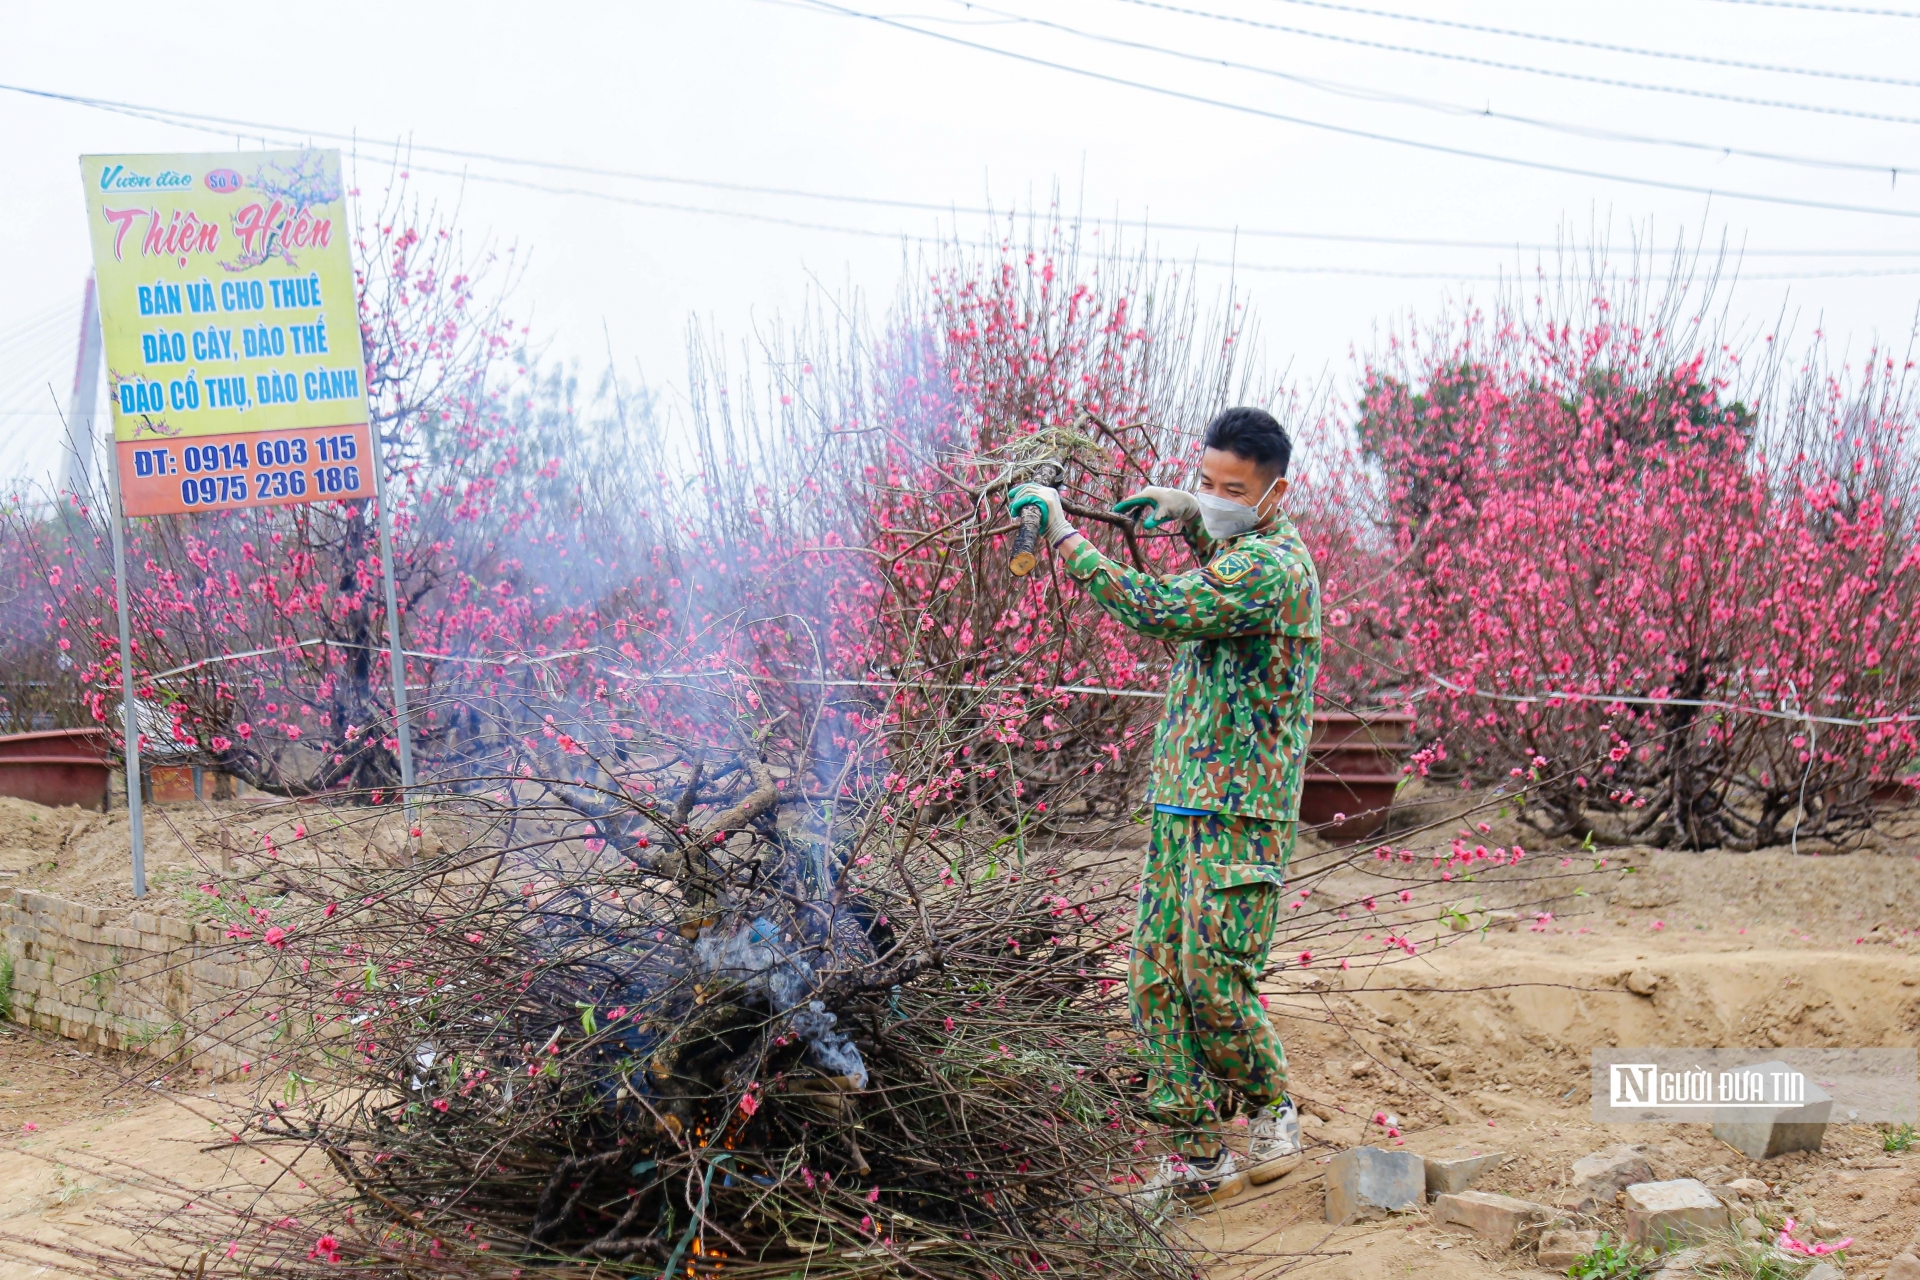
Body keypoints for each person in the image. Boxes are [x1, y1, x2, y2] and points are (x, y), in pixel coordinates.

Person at [1008, 406, 1318, 1207]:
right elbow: (1214, 557)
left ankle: (1271, 1105)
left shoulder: (1273, 569)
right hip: (1182, 804)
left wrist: (1066, 540)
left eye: (1231, 490)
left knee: (1212, 977)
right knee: (1153, 978)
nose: (1214, 497)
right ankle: (1193, 1155)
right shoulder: (1239, 549)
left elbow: (1163, 609)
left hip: (1240, 812)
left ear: (1275, 493)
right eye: (1204, 482)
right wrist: (1186, 520)